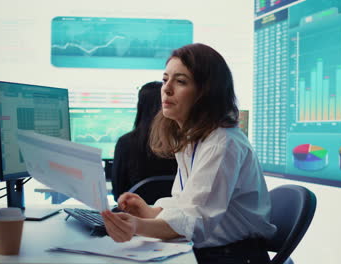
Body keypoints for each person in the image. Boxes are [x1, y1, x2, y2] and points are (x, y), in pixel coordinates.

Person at [101, 43, 277, 264]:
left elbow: (196, 224)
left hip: (236, 256)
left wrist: (137, 225)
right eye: (165, 80)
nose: (166, 89)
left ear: (206, 93)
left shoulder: (222, 143)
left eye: (180, 81)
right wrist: (148, 212)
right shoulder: (193, 138)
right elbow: (186, 206)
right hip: (217, 250)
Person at [111, 81, 178, 202]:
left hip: (135, 216)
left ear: (140, 106)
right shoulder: (182, 142)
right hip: (171, 216)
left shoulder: (125, 143)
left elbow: (118, 195)